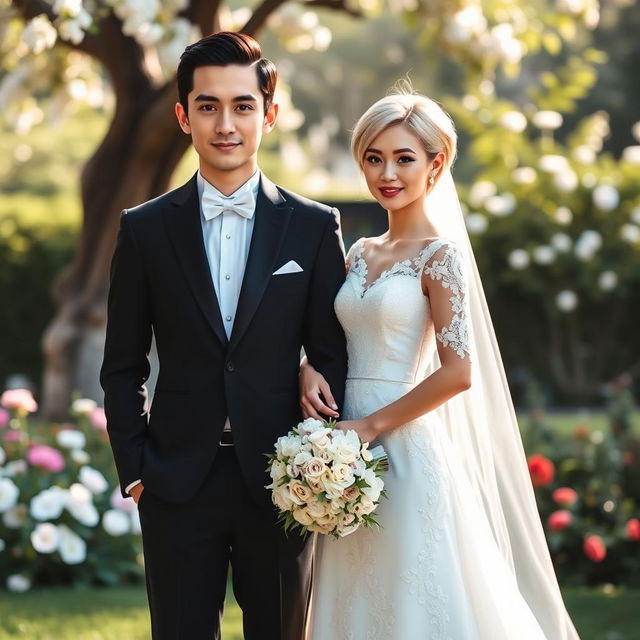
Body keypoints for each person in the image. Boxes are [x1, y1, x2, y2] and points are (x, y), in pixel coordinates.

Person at [300, 89, 580, 639]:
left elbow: (459, 372)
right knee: (353, 590)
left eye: (404, 158)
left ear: (436, 163)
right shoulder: (359, 251)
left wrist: (372, 427)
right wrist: (307, 368)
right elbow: (333, 339)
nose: (387, 173)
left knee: (413, 593)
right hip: (340, 451)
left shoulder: (440, 255)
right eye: (374, 158)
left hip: (400, 443)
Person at [100, 31, 347, 640]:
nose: (226, 123)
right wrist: (136, 469)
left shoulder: (314, 228)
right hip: (177, 482)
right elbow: (122, 364)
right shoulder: (145, 230)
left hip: (284, 481)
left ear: (270, 113)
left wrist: (316, 454)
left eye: (242, 105)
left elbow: (335, 351)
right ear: (184, 115)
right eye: (208, 106)